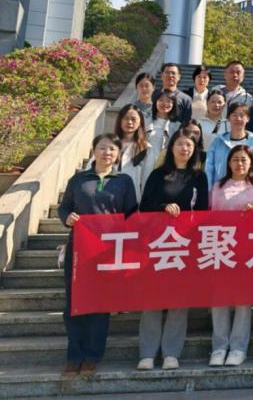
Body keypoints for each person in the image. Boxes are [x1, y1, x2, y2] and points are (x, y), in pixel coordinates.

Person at [58, 133, 137, 376]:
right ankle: (74, 355)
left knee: (100, 304)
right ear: (94, 150)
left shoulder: (123, 181)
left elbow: (131, 213)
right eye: (102, 148)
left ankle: (92, 355)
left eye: (112, 149)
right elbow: (64, 207)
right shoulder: (78, 180)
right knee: (74, 302)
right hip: (79, 248)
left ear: (118, 154)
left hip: (108, 250)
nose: (107, 153)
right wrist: (67, 218)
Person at [137, 129, 208, 371]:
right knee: (152, 299)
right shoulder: (158, 174)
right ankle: (147, 353)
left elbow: (203, 210)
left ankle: (171, 353)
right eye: (180, 144)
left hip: (185, 244)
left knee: (179, 300)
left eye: (189, 145)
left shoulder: (199, 177)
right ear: (171, 148)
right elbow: (145, 205)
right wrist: (164, 206)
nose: (184, 149)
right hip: (158, 243)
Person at [208, 145, 253, 367]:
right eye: (235, 159)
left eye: (244, 160)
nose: (239, 164)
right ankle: (219, 346)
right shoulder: (218, 187)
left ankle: (238, 347)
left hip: (248, 249)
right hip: (222, 248)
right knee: (219, 298)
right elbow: (212, 215)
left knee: (243, 300)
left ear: (251, 163)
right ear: (228, 162)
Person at [205, 102, 253, 189]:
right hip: (219, 190)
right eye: (234, 115)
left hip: (246, 191)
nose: (238, 118)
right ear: (228, 118)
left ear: (248, 119)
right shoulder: (218, 141)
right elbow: (209, 168)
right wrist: (209, 190)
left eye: (242, 115)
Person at [113, 104, 154, 201]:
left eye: (133, 119)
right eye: (126, 118)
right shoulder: (109, 144)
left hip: (132, 198)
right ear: (120, 120)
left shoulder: (146, 148)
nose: (129, 122)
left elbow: (146, 179)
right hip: (107, 197)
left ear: (140, 122)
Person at [147, 91, 181, 166]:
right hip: (144, 163)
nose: (165, 103)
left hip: (164, 165)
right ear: (155, 102)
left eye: (168, 101)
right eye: (161, 100)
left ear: (173, 105)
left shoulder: (177, 126)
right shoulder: (145, 121)